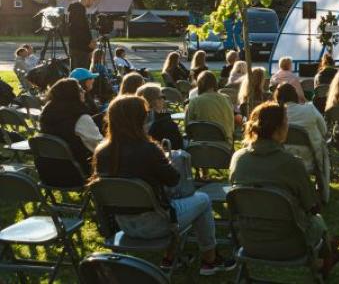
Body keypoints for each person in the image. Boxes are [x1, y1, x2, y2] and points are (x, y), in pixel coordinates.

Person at [92, 95, 235, 275]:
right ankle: (210, 259)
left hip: (123, 223)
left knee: (172, 200)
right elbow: (173, 179)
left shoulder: (102, 152)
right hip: (157, 223)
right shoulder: (147, 149)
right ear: (140, 119)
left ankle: (170, 257)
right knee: (202, 199)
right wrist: (167, 162)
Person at [229, 102, 339, 278]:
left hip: (250, 239)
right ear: (278, 129)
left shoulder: (238, 159)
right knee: (317, 221)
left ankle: (326, 249)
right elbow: (312, 206)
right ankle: (324, 256)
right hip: (290, 244)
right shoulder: (291, 163)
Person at [276, 83, 331, 203]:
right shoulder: (309, 109)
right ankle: (322, 189)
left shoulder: (275, 114)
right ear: (295, 95)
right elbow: (324, 130)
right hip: (309, 157)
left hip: (283, 158)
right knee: (323, 147)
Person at [39, 78, 103, 174]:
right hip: (76, 173)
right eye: (80, 90)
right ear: (72, 95)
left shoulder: (45, 114)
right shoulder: (80, 118)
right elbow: (99, 146)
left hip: (48, 172)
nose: (84, 91)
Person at [186, 71, 234, 145]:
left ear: (199, 85)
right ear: (215, 83)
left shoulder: (194, 101)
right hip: (225, 145)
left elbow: (188, 127)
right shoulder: (226, 99)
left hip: (201, 144)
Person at [137, 83, 183, 150]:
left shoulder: (134, 121)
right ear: (153, 100)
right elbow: (177, 146)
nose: (164, 100)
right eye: (162, 97)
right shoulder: (165, 123)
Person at [67, 0, 98, 70]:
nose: (93, 2)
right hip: (79, 49)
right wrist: (89, 43)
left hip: (80, 48)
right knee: (81, 76)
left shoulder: (79, 9)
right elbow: (77, 30)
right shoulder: (78, 10)